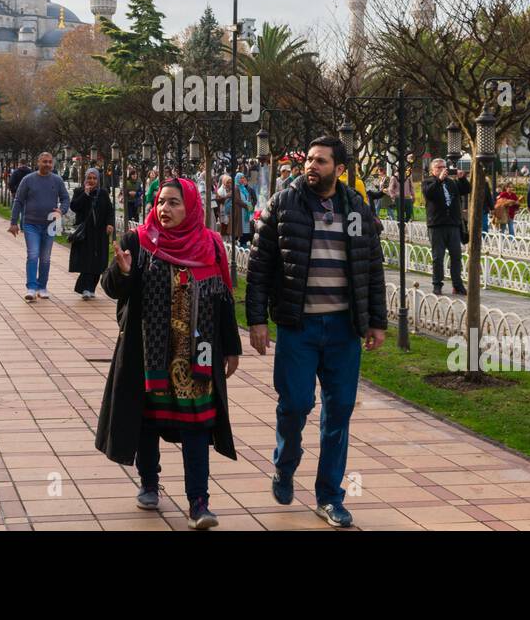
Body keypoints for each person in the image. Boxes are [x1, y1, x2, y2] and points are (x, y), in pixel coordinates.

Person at [245, 135, 386, 528]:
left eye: (321, 161)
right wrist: (257, 320)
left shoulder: (356, 208)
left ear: (339, 169)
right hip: (298, 326)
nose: (311, 166)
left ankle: (329, 496)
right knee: (294, 405)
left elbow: (370, 268)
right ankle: (285, 465)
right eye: (309, 159)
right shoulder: (284, 205)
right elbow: (258, 267)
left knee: (338, 414)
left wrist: (377, 321)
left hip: (344, 329)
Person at [96, 177, 240, 530]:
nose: (165, 209)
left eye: (174, 203)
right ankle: (149, 482)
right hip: (148, 353)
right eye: (161, 202)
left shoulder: (211, 245)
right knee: (147, 421)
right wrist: (122, 271)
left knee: (197, 426)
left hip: (198, 356)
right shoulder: (139, 241)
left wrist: (231, 346)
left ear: (191, 207)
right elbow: (113, 288)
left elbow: (223, 298)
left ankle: (199, 502)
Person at [9, 152, 71, 301]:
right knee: (33, 254)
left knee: (45, 258)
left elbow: (65, 198)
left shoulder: (57, 180)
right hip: (31, 224)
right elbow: (18, 200)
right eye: (45, 162)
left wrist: (61, 210)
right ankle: (31, 287)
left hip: (50, 224)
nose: (47, 164)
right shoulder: (28, 180)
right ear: (38, 162)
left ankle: (42, 287)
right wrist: (13, 222)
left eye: (50, 162)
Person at [422, 158, 470, 295]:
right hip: (436, 225)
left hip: (453, 224)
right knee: (438, 257)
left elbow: (466, 189)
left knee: (456, 256)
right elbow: (429, 194)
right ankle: (437, 284)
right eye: (438, 167)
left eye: (444, 167)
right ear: (432, 170)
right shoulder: (428, 182)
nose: (442, 169)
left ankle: (457, 284)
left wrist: (462, 179)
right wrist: (439, 180)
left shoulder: (451, 182)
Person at [70, 168, 115, 298]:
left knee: (98, 261)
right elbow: (74, 207)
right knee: (86, 260)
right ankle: (85, 289)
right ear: (85, 179)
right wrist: (85, 194)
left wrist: (110, 223)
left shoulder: (103, 193)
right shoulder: (79, 191)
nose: (92, 181)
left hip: (100, 232)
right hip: (85, 232)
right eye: (89, 178)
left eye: (94, 178)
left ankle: (90, 288)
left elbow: (109, 211)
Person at [232, 171, 256, 247]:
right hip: (240, 211)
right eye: (241, 178)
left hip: (245, 211)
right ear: (237, 179)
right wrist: (247, 205)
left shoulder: (243, 188)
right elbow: (237, 200)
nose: (242, 179)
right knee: (240, 227)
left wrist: (249, 205)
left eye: (243, 178)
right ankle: (240, 242)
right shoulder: (236, 188)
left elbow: (248, 198)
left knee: (246, 227)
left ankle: (244, 242)